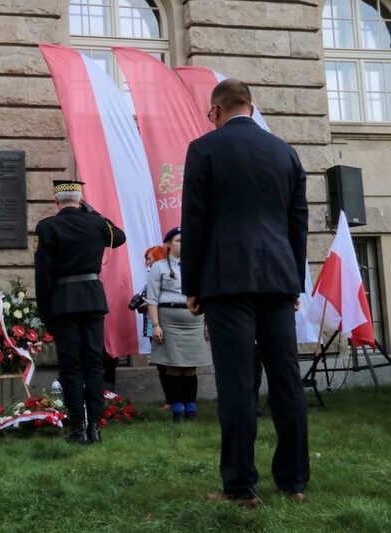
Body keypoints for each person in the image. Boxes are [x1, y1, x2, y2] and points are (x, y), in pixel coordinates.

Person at [182, 78, 309, 507]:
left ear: (216, 111)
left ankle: (240, 487)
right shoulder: (286, 152)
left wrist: (192, 285)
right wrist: (294, 282)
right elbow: (298, 224)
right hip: (278, 279)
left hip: (226, 280)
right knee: (287, 381)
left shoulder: (203, 150)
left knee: (237, 383)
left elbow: (194, 223)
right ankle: (293, 482)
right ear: (252, 108)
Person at [34, 180, 126, 444]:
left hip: (63, 302)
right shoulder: (96, 224)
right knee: (94, 364)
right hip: (93, 299)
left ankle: (78, 429)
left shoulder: (47, 227)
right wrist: (94, 212)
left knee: (72, 367)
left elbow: (43, 276)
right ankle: (95, 427)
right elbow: (119, 236)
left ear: (56, 202)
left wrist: (45, 312)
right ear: (81, 200)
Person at [146, 227, 212, 423]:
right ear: (168, 244)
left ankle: (191, 409)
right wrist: (156, 325)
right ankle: (177, 411)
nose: (183, 244)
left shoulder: (197, 265)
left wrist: (207, 324)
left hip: (194, 321)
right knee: (173, 367)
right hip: (169, 321)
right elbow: (152, 299)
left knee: (190, 367)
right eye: (178, 240)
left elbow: (205, 295)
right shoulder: (159, 267)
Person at [141, 245, 170, 410]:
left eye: (149, 258)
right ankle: (170, 400)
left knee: (166, 364)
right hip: (154, 325)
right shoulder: (152, 276)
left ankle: (172, 400)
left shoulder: (162, 275)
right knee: (160, 364)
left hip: (162, 324)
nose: (147, 262)